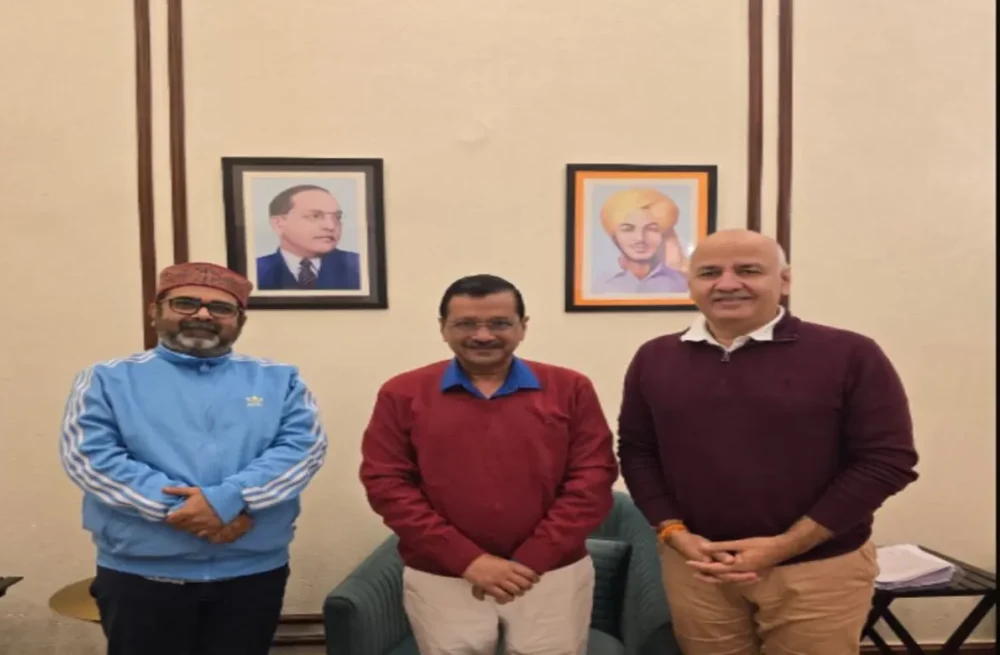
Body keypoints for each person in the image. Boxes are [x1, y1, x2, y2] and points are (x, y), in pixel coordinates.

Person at [617, 228, 919, 655]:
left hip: (817, 571)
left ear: (785, 280)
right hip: (699, 569)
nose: (727, 283)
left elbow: (887, 460)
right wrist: (674, 533)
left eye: (748, 270)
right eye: (709, 272)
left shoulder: (850, 354)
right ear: (690, 284)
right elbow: (637, 451)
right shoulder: (655, 357)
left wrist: (785, 545)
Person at [60, 262, 329, 655]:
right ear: (156, 311)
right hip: (142, 574)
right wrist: (193, 512)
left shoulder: (280, 380)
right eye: (185, 303)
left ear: (239, 320)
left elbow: (302, 450)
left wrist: (228, 500)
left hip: (252, 573)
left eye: (220, 308)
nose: (203, 314)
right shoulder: (105, 379)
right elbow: (89, 457)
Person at [359, 274, 619, 655]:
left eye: (499, 323)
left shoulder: (570, 388)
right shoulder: (402, 393)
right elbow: (387, 484)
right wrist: (468, 560)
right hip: (443, 575)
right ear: (443, 329)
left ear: (522, 327)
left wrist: (532, 559)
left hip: (550, 575)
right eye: (466, 324)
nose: (483, 335)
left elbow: (593, 478)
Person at [256, 184, 362, 290]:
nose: (331, 226)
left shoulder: (360, 267)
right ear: (278, 224)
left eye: (337, 217)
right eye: (315, 216)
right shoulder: (254, 271)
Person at [592, 187, 689, 294]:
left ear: (664, 233)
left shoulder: (682, 283)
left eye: (651, 229)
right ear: (614, 235)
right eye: (628, 229)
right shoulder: (598, 283)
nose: (640, 238)